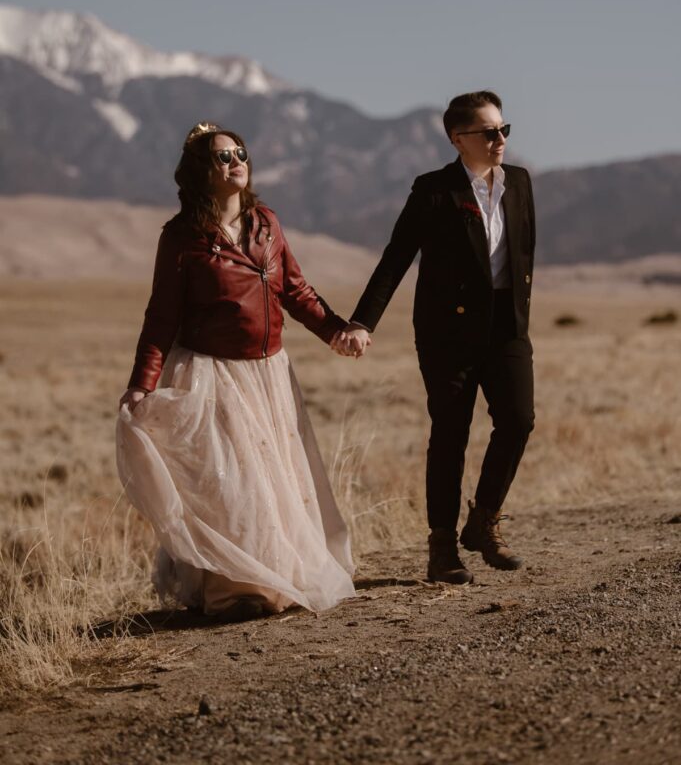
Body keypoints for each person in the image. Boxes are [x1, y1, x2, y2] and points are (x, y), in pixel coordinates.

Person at [117, 122, 357, 621]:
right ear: (201, 172)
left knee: (274, 481)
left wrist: (336, 330)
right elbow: (160, 317)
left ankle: (278, 581)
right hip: (211, 373)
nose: (235, 162)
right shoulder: (181, 238)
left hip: (269, 374)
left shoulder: (266, 223)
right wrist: (143, 384)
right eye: (223, 157)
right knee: (231, 487)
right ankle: (235, 592)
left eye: (240, 153)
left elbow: (296, 291)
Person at [332, 91, 535, 584]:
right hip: (448, 335)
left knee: (519, 420)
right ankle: (442, 547)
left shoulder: (520, 184)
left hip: (507, 329)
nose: (499, 140)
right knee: (450, 434)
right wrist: (362, 321)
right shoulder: (434, 190)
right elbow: (396, 257)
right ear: (457, 138)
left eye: (503, 130)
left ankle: (483, 522)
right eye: (488, 132)